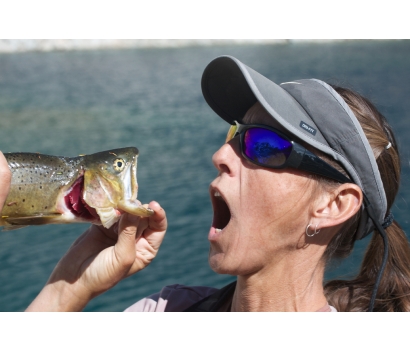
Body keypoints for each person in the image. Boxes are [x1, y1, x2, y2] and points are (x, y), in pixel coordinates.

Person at [21, 55, 408, 312]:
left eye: (264, 146)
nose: (221, 156)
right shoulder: (165, 314)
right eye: (234, 135)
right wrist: (68, 288)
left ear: (332, 206)